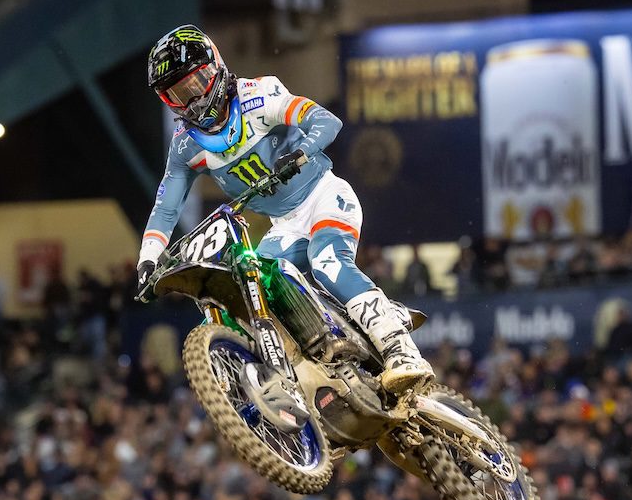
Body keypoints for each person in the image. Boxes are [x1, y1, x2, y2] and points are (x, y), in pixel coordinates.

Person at [136, 25, 431, 392]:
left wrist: (302, 151)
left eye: (196, 83)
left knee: (328, 263)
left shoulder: (259, 95)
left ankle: (401, 350)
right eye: (179, 94)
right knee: (256, 288)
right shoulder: (185, 147)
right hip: (284, 225)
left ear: (216, 66)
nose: (193, 100)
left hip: (323, 196)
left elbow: (326, 120)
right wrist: (148, 259)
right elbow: (166, 208)